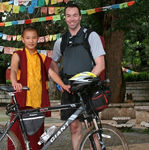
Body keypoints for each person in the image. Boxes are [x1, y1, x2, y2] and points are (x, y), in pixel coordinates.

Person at [51, 3, 105, 150]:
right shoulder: (60, 41)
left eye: (75, 15)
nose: (72, 19)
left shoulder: (91, 36)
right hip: (69, 90)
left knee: (92, 131)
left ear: (80, 17)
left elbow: (100, 65)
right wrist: (59, 82)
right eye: (68, 16)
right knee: (74, 129)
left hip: (87, 90)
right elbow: (53, 63)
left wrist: (85, 82)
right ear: (65, 18)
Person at [9, 26, 70, 150]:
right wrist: (15, 83)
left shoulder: (42, 58)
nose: (31, 41)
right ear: (22, 40)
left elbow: (52, 74)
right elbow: (13, 71)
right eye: (28, 38)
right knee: (17, 135)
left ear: (38, 39)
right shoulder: (18, 55)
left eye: (33, 38)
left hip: (37, 103)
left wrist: (63, 85)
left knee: (35, 139)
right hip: (22, 100)